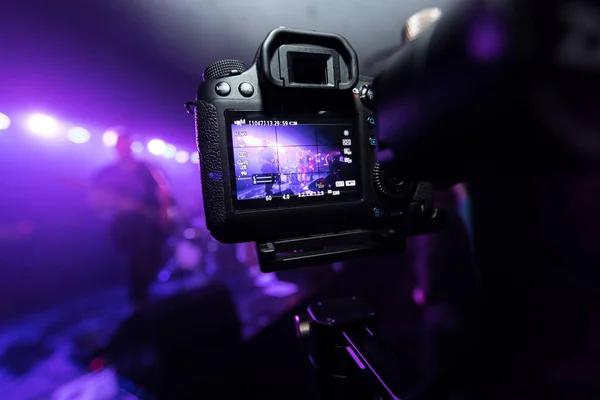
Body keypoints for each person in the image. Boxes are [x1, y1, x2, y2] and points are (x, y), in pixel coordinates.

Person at [89, 129, 175, 311]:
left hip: (151, 222)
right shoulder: (107, 173)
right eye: (121, 145)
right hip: (127, 225)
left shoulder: (147, 168)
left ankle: (143, 294)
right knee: (138, 258)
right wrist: (115, 205)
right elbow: (97, 200)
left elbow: (163, 191)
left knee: (154, 256)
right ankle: (139, 299)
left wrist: (164, 214)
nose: (125, 149)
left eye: (127, 145)